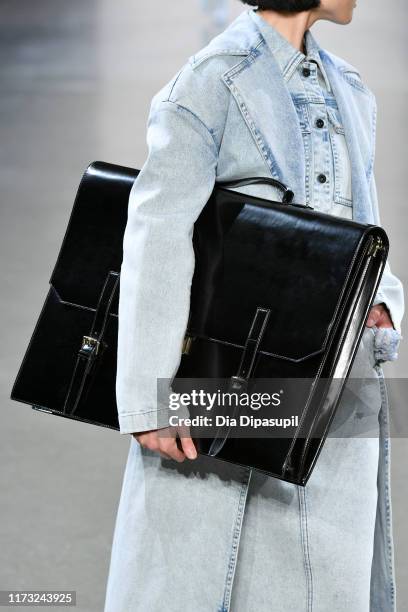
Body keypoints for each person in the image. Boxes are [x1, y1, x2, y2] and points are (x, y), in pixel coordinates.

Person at [104, 1, 405, 611]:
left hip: (331, 388)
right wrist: (148, 399)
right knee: (214, 573)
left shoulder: (349, 90)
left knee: (323, 575)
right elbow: (157, 232)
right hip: (228, 388)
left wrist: (384, 303)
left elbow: (365, 224)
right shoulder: (209, 82)